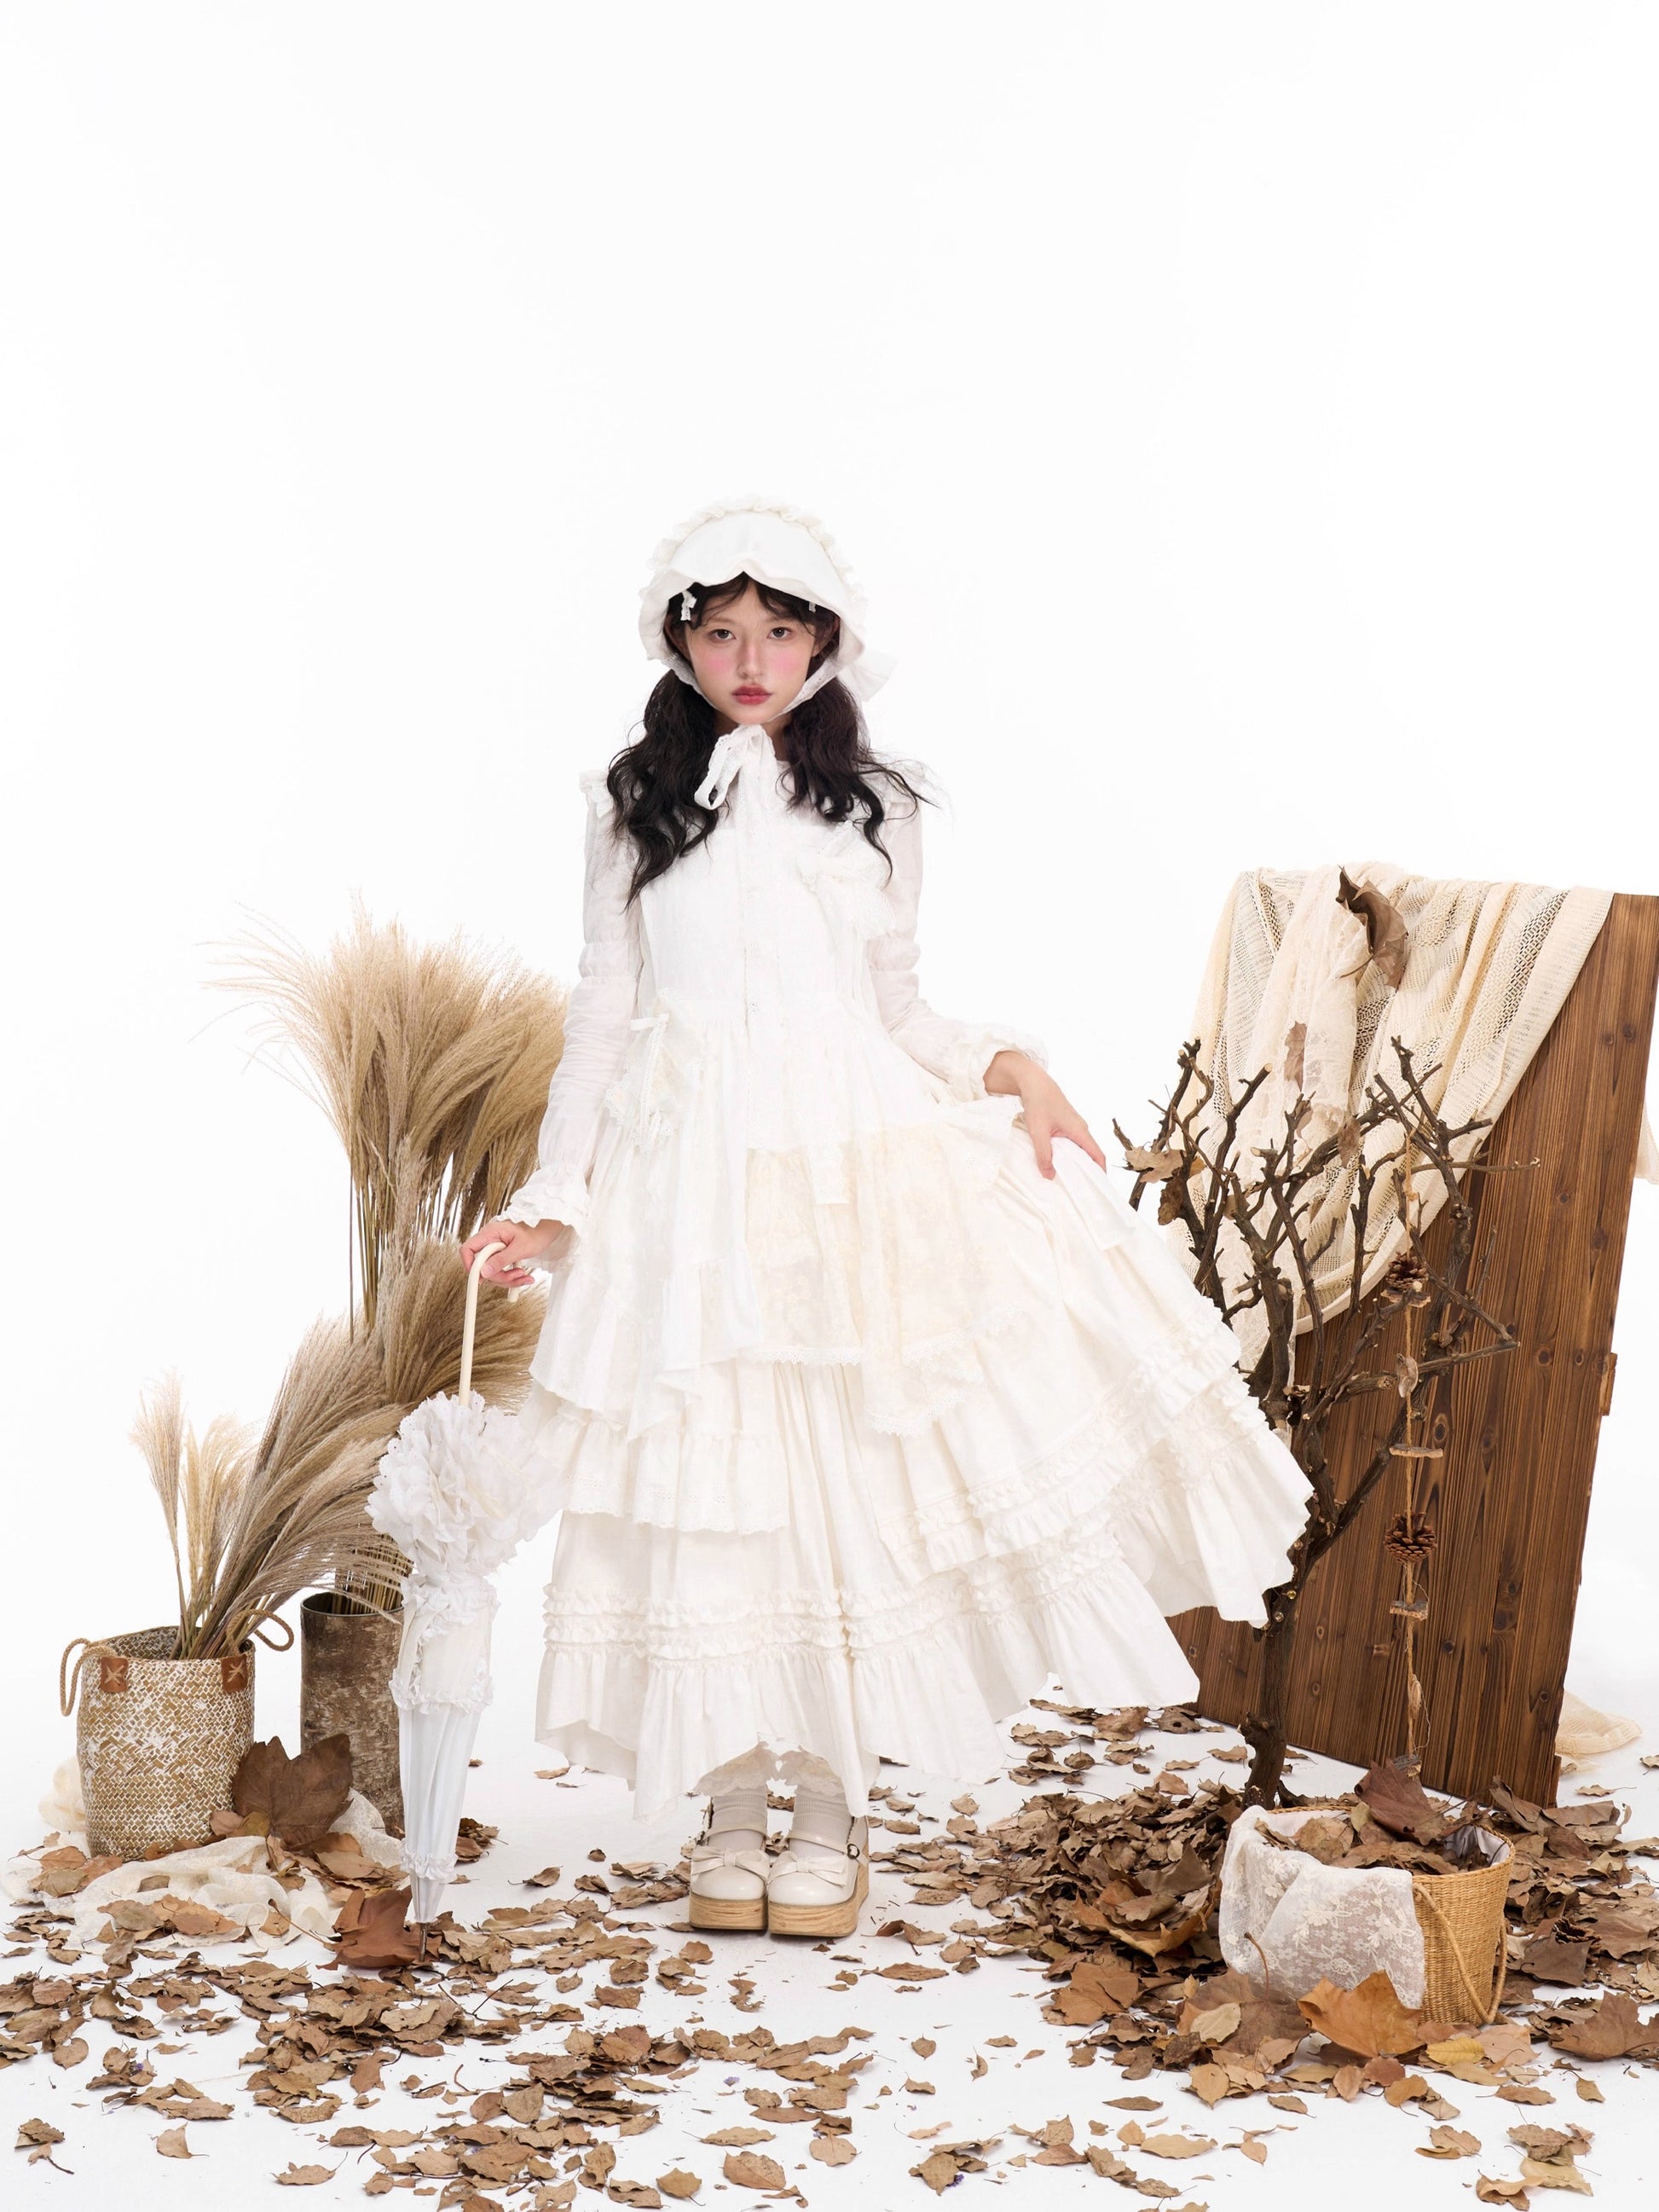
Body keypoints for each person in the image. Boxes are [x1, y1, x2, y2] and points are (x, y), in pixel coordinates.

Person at [462, 498, 1308, 1939]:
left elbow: (896, 1003)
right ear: (678, 641)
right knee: (711, 1492)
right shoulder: (631, 804)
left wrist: (1006, 1067)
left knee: (841, 1485)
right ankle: (733, 1797)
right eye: (720, 631)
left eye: (777, 630)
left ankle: (831, 1800)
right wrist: (556, 1200)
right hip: (687, 1193)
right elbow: (601, 1015)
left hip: (844, 1171)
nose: (749, 659)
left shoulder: (878, 804)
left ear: (823, 641)